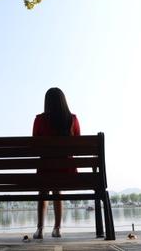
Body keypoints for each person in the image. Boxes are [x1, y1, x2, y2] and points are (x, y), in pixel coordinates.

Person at [32, 87, 81, 239]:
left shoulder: (40, 120)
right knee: (57, 190)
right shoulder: (72, 119)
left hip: (45, 169)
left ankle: (40, 229)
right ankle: (57, 228)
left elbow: (34, 145)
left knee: (43, 191)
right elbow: (78, 144)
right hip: (66, 171)